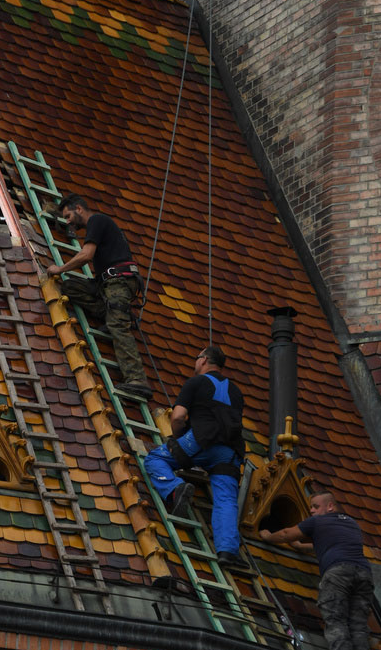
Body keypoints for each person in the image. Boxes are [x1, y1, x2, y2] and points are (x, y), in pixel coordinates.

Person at [144, 346, 244, 563]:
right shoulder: (236, 391)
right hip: (230, 451)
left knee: (155, 458)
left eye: (197, 357)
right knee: (226, 499)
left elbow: (178, 417)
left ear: (204, 360)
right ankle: (227, 551)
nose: (195, 361)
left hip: (201, 440)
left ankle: (174, 488)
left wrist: (176, 439)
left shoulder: (196, 382)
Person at [47, 194, 152, 400]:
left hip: (119, 282)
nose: (68, 221)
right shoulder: (98, 224)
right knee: (71, 287)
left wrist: (59, 268)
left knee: (117, 326)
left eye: (68, 216)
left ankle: (137, 379)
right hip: (106, 284)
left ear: (79, 209)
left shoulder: (96, 220)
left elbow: (86, 255)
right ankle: (110, 311)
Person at [260, 491, 374, 650]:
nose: (311, 511)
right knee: (358, 623)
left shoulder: (317, 522)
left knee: (336, 616)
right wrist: (299, 547)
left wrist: (267, 536)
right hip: (363, 574)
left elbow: (285, 533)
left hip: (338, 573)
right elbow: (325, 544)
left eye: (315, 506)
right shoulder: (351, 523)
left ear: (330, 506)